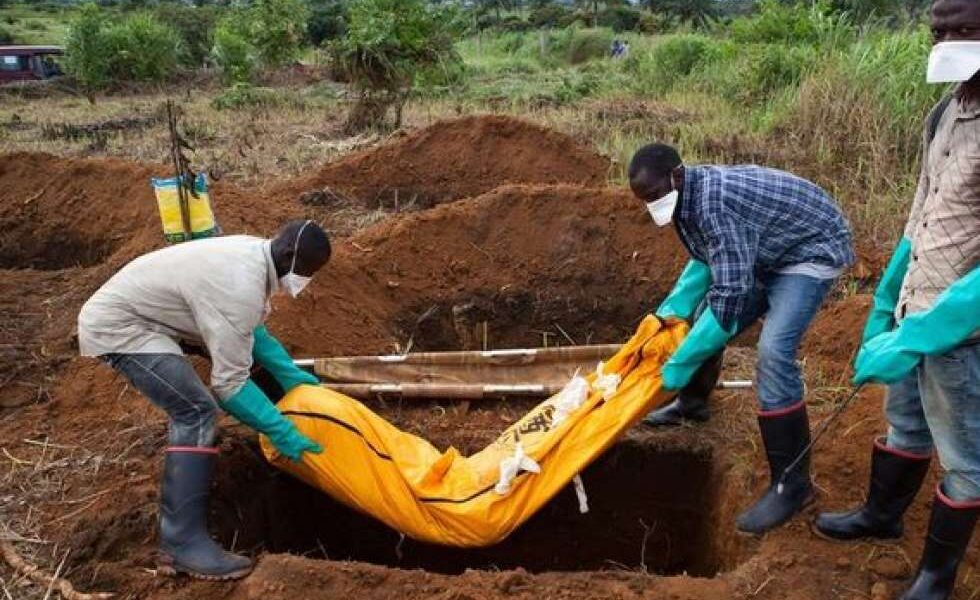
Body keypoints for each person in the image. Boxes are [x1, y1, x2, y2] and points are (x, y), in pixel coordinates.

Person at [814, 1, 980, 597]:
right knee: (905, 422)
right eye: (941, 30)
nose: (950, 40)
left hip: (962, 333)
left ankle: (935, 581)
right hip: (917, 305)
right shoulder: (945, 113)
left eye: (965, 30)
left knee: (966, 457)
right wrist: (887, 302)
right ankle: (881, 515)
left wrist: (922, 334)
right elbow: (921, 214)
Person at [77, 219, 330, 580]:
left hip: (148, 314)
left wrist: (289, 373)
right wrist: (280, 430)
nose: (306, 280)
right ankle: (181, 544)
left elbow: (251, 330)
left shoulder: (256, 255)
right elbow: (229, 386)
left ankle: (183, 539)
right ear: (289, 254)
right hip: (121, 326)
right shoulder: (240, 285)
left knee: (197, 406)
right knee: (196, 411)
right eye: (306, 271)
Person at [629, 145, 854, 534]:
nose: (653, 204)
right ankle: (692, 404)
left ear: (677, 175)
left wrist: (680, 362)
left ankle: (791, 485)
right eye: (644, 200)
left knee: (773, 352)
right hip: (767, 248)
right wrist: (668, 313)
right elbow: (705, 262)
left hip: (809, 249)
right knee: (700, 320)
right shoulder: (686, 198)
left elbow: (730, 294)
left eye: (655, 195)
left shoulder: (715, 204)